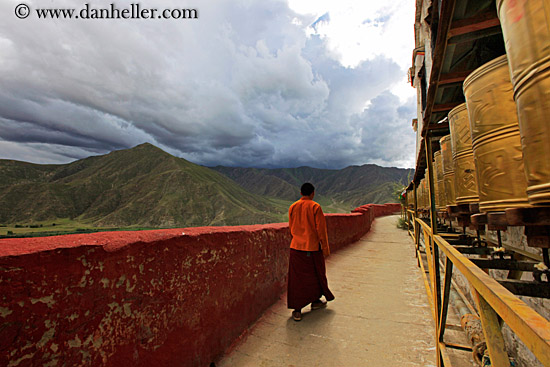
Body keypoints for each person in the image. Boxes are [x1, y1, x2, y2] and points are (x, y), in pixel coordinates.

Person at [287, 182, 335, 321]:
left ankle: (297, 309)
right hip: (312, 248)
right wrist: (325, 248)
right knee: (316, 275)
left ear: (301, 193)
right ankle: (315, 301)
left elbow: (291, 227)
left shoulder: (293, 207)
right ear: (312, 193)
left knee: (297, 280)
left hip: (296, 248)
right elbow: (321, 231)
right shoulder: (315, 207)